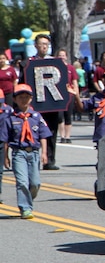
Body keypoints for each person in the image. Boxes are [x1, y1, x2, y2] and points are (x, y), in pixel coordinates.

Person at [3, 83, 51, 218]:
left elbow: (43, 135)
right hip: (19, 153)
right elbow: (5, 139)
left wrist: (44, 153)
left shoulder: (36, 117)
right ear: (15, 99)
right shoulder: (11, 118)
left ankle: (28, 198)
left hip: (34, 153)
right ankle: (25, 208)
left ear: (31, 99)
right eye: (20, 97)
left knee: (35, 183)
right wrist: (5, 157)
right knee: (22, 182)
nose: (23, 100)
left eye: (26, 97)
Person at [25, 34, 62, 170]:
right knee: (34, 133)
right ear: (36, 46)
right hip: (35, 104)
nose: (44, 46)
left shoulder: (55, 62)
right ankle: (33, 159)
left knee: (51, 132)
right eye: (41, 44)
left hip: (51, 104)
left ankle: (49, 161)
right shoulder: (28, 63)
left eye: (46, 44)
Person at [56, 49, 79, 144]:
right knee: (59, 117)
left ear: (66, 57)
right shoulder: (55, 68)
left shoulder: (70, 68)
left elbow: (74, 81)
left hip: (69, 94)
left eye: (63, 55)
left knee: (68, 116)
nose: (62, 57)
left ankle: (67, 136)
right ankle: (62, 136)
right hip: (58, 95)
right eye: (60, 55)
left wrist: (76, 93)